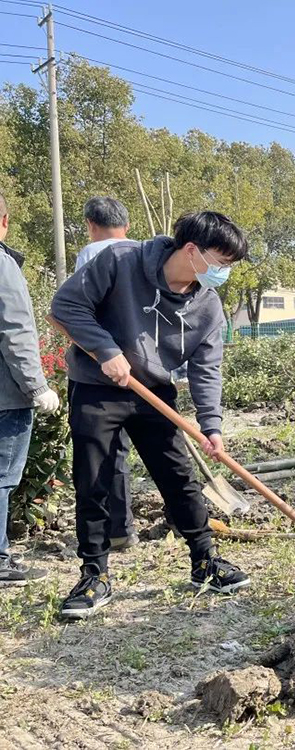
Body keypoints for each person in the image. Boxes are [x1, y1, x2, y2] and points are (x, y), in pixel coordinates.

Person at [51, 211, 251, 619]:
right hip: (95, 388)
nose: (224, 273)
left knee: (179, 476)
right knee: (95, 481)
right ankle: (94, 575)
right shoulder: (121, 261)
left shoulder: (208, 306)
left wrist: (211, 426)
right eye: (222, 262)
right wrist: (106, 352)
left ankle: (204, 562)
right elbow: (66, 307)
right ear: (192, 250)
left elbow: (207, 368)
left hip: (153, 393)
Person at [0, 191, 61, 585]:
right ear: (4, 221)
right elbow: (16, 331)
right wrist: (37, 387)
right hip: (5, 400)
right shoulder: (2, 266)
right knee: (2, 478)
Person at [73, 197, 138, 550]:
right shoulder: (140, 251)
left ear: (90, 224)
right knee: (164, 454)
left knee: (107, 453)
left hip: (101, 371)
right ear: (126, 225)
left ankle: (117, 530)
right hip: (144, 368)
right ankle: (175, 519)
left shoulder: (91, 253)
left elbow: (77, 313)